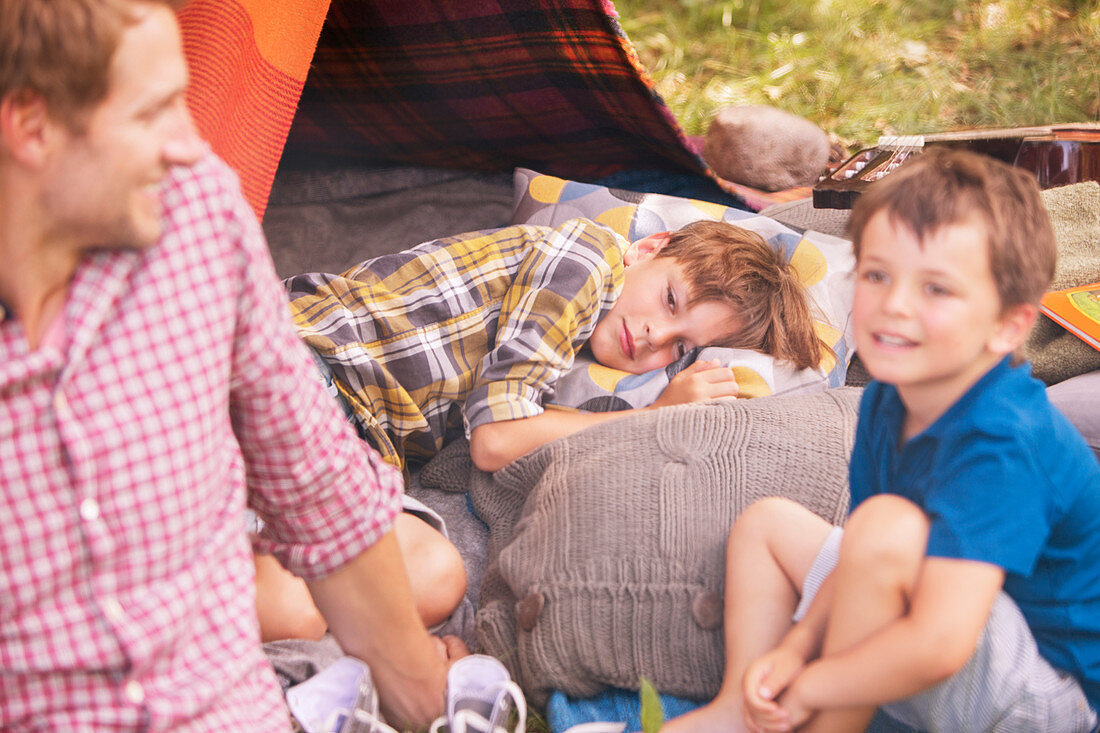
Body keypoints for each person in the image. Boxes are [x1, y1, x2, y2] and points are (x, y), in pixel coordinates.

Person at [0, 1, 463, 730]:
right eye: (154, 114)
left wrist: (433, 710)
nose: (192, 146)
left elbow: (321, 491)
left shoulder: (198, 222)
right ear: (32, 126)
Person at [663, 148, 1100, 733]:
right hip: (940, 627)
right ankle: (743, 710)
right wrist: (794, 653)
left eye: (937, 289)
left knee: (886, 528)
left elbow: (939, 644)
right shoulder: (890, 401)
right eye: (877, 275)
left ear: (1007, 325)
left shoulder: (1004, 441)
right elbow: (857, 559)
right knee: (769, 524)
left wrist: (818, 681)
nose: (895, 304)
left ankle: (826, 721)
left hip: (1047, 695)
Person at [255, 218, 831, 639]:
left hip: (355, 441)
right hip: (305, 370)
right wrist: (653, 419)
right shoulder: (583, 259)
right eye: (670, 299)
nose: (655, 335)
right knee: (299, 608)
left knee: (433, 578)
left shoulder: (564, 349)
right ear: (647, 249)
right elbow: (496, 440)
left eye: (681, 345)